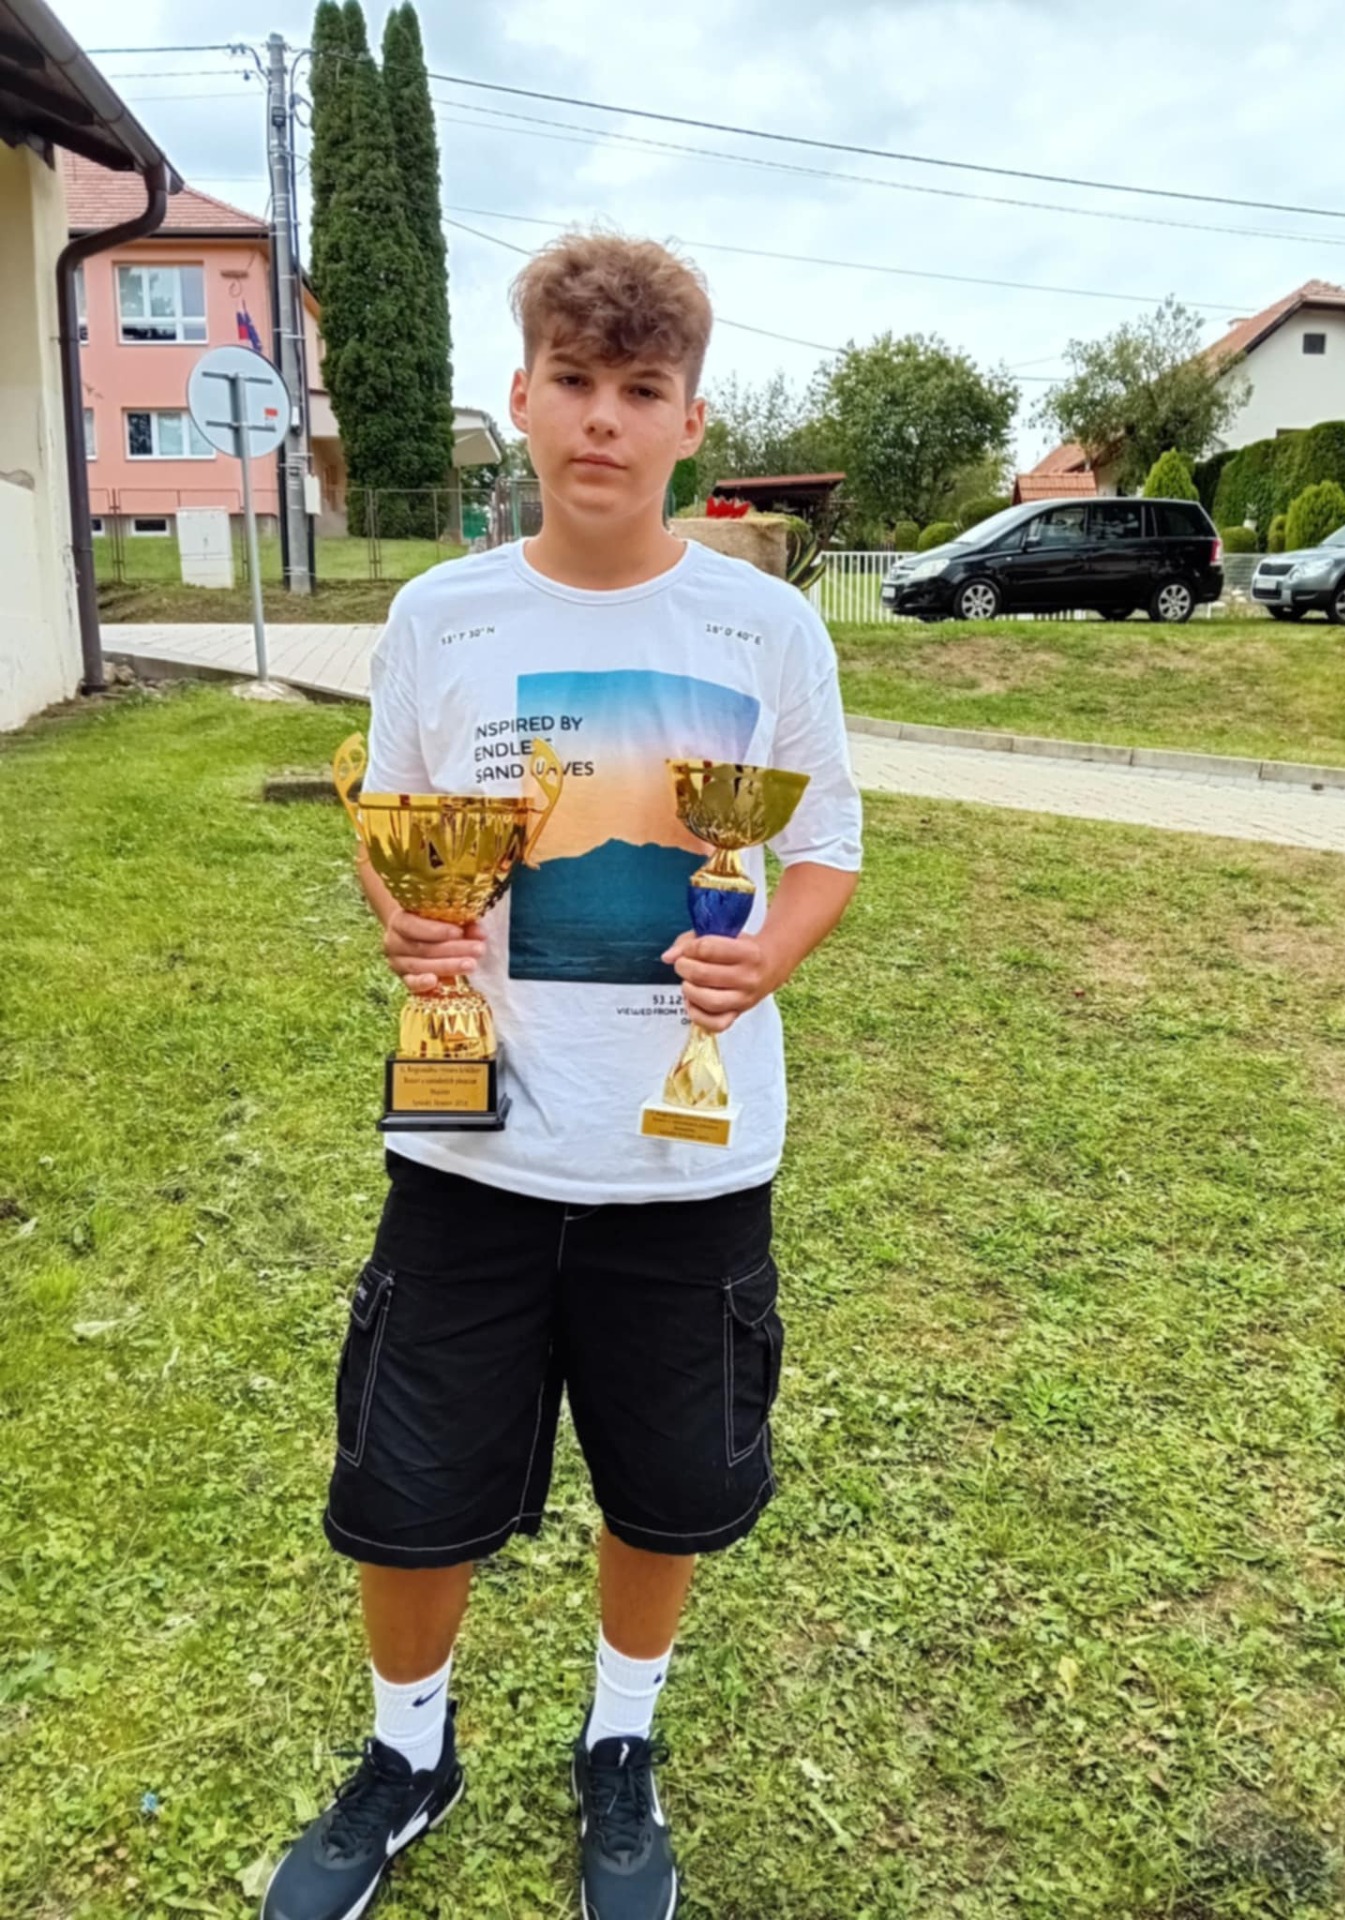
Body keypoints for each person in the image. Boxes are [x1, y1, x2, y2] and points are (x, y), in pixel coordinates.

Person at [262, 232, 862, 1920]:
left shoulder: (764, 626)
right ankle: (408, 1753)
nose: (604, 419)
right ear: (522, 397)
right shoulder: (441, 614)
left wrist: (769, 951)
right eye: (576, 383)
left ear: (690, 422)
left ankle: (620, 1740)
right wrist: (404, 914)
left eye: (642, 390)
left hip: (688, 1157)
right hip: (469, 1149)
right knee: (406, 1489)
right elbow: (392, 824)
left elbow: (825, 847)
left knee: (666, 1487)